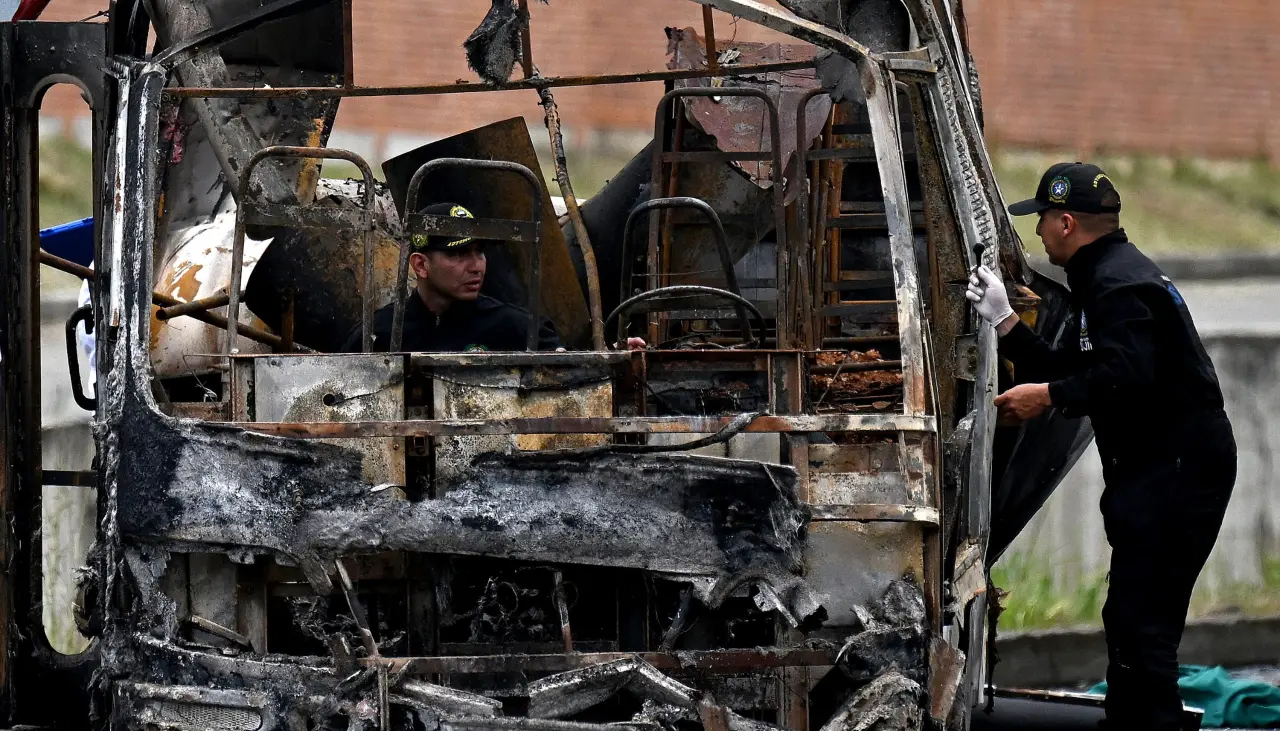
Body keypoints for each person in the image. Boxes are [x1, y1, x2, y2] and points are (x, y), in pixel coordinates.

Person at [966, 162, 1236, 730]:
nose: (1037, 231)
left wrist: (1046, 397)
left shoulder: (1117, 283)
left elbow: (1125, 374)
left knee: (1144, 627)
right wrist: (1008, 322)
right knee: (1132, 621)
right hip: (1163, 470)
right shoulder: (1107, 274)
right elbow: (1083, 366)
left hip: (1176, 473)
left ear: (1066, 222)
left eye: (1041, 219)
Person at [342, 202, 562, 352]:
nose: (476, 266)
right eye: (458, 254)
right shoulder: (380, 334)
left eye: (480, 251)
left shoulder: (517, 329)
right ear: (421, 265)